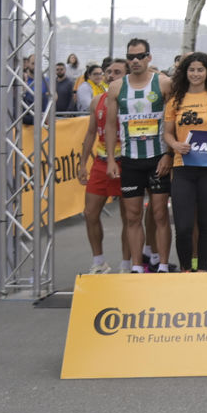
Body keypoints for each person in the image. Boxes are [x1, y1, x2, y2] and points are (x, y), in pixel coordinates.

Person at [104, 39, 174, 272]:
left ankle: (162, 264)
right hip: (130, 160)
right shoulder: (116, 87)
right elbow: (111, 126)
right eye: (130, 57)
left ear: (149, 58)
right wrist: (112, 159)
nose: (135, 61)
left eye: (140, 56)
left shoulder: (164, 83)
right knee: (132, 216)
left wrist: (169, 155)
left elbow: (173, 121)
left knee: (160, 214)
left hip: (158, 158)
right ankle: (136, 266)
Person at [164, 52, 207, 272]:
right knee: (183, 226)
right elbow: (167, 133)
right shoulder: (176, 100)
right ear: (185, 72)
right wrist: (174, 145)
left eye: (200, 70)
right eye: (191, 70)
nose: (195, 74)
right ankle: (185, 268)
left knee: (206, 223)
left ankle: (202, 270)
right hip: (182, 167)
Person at [76, 58, 127, 273]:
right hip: (100, 163)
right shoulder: (97, 100)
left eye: (117, 72)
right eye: (109, 71)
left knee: (130, 217)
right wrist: (82, 164)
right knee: (90, 213)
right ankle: (99, 262)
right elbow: (90, 133)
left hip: (126, 164)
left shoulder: (132, 101)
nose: (111, 75)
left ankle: (127, 263)